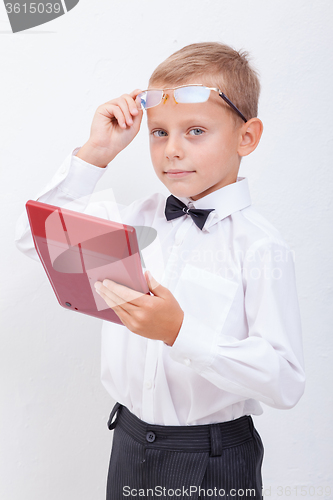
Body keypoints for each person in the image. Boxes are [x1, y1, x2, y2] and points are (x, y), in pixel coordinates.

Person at [15, 42, 305, 499]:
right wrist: (95, 152)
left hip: (215, 457)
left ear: (246, 137)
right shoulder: (133, 220)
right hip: (128, 443)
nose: (171, 150)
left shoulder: (261, 246)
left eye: (195, 130)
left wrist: (180, 332)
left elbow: (285, 381)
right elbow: (34, 239)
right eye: (158, 133)